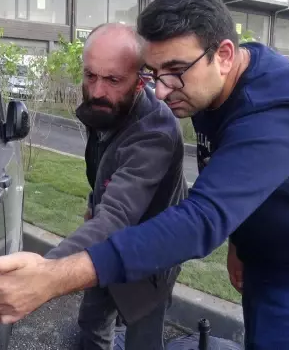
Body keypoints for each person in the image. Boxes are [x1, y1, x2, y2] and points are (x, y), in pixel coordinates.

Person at [0, 0, 289, 349]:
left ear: (225, 54)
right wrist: (244, 242)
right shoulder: (210, 83)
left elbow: (200, 220)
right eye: (154, 72)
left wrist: (51, 275)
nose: (160, 89)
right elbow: (234, 174)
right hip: (270, 250)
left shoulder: (276, 115)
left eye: (174, 72)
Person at [43, 23, 188, 350]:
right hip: (105, 239)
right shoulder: (107, 107)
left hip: (152, 251)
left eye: (112, 80)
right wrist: (95, 200)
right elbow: (105, 167)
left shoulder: (156, 133)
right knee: (92, 322)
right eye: (90, 75)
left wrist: (43, 271)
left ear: (140, 81)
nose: (96, 91)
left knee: (143, 338)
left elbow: (116, 218)